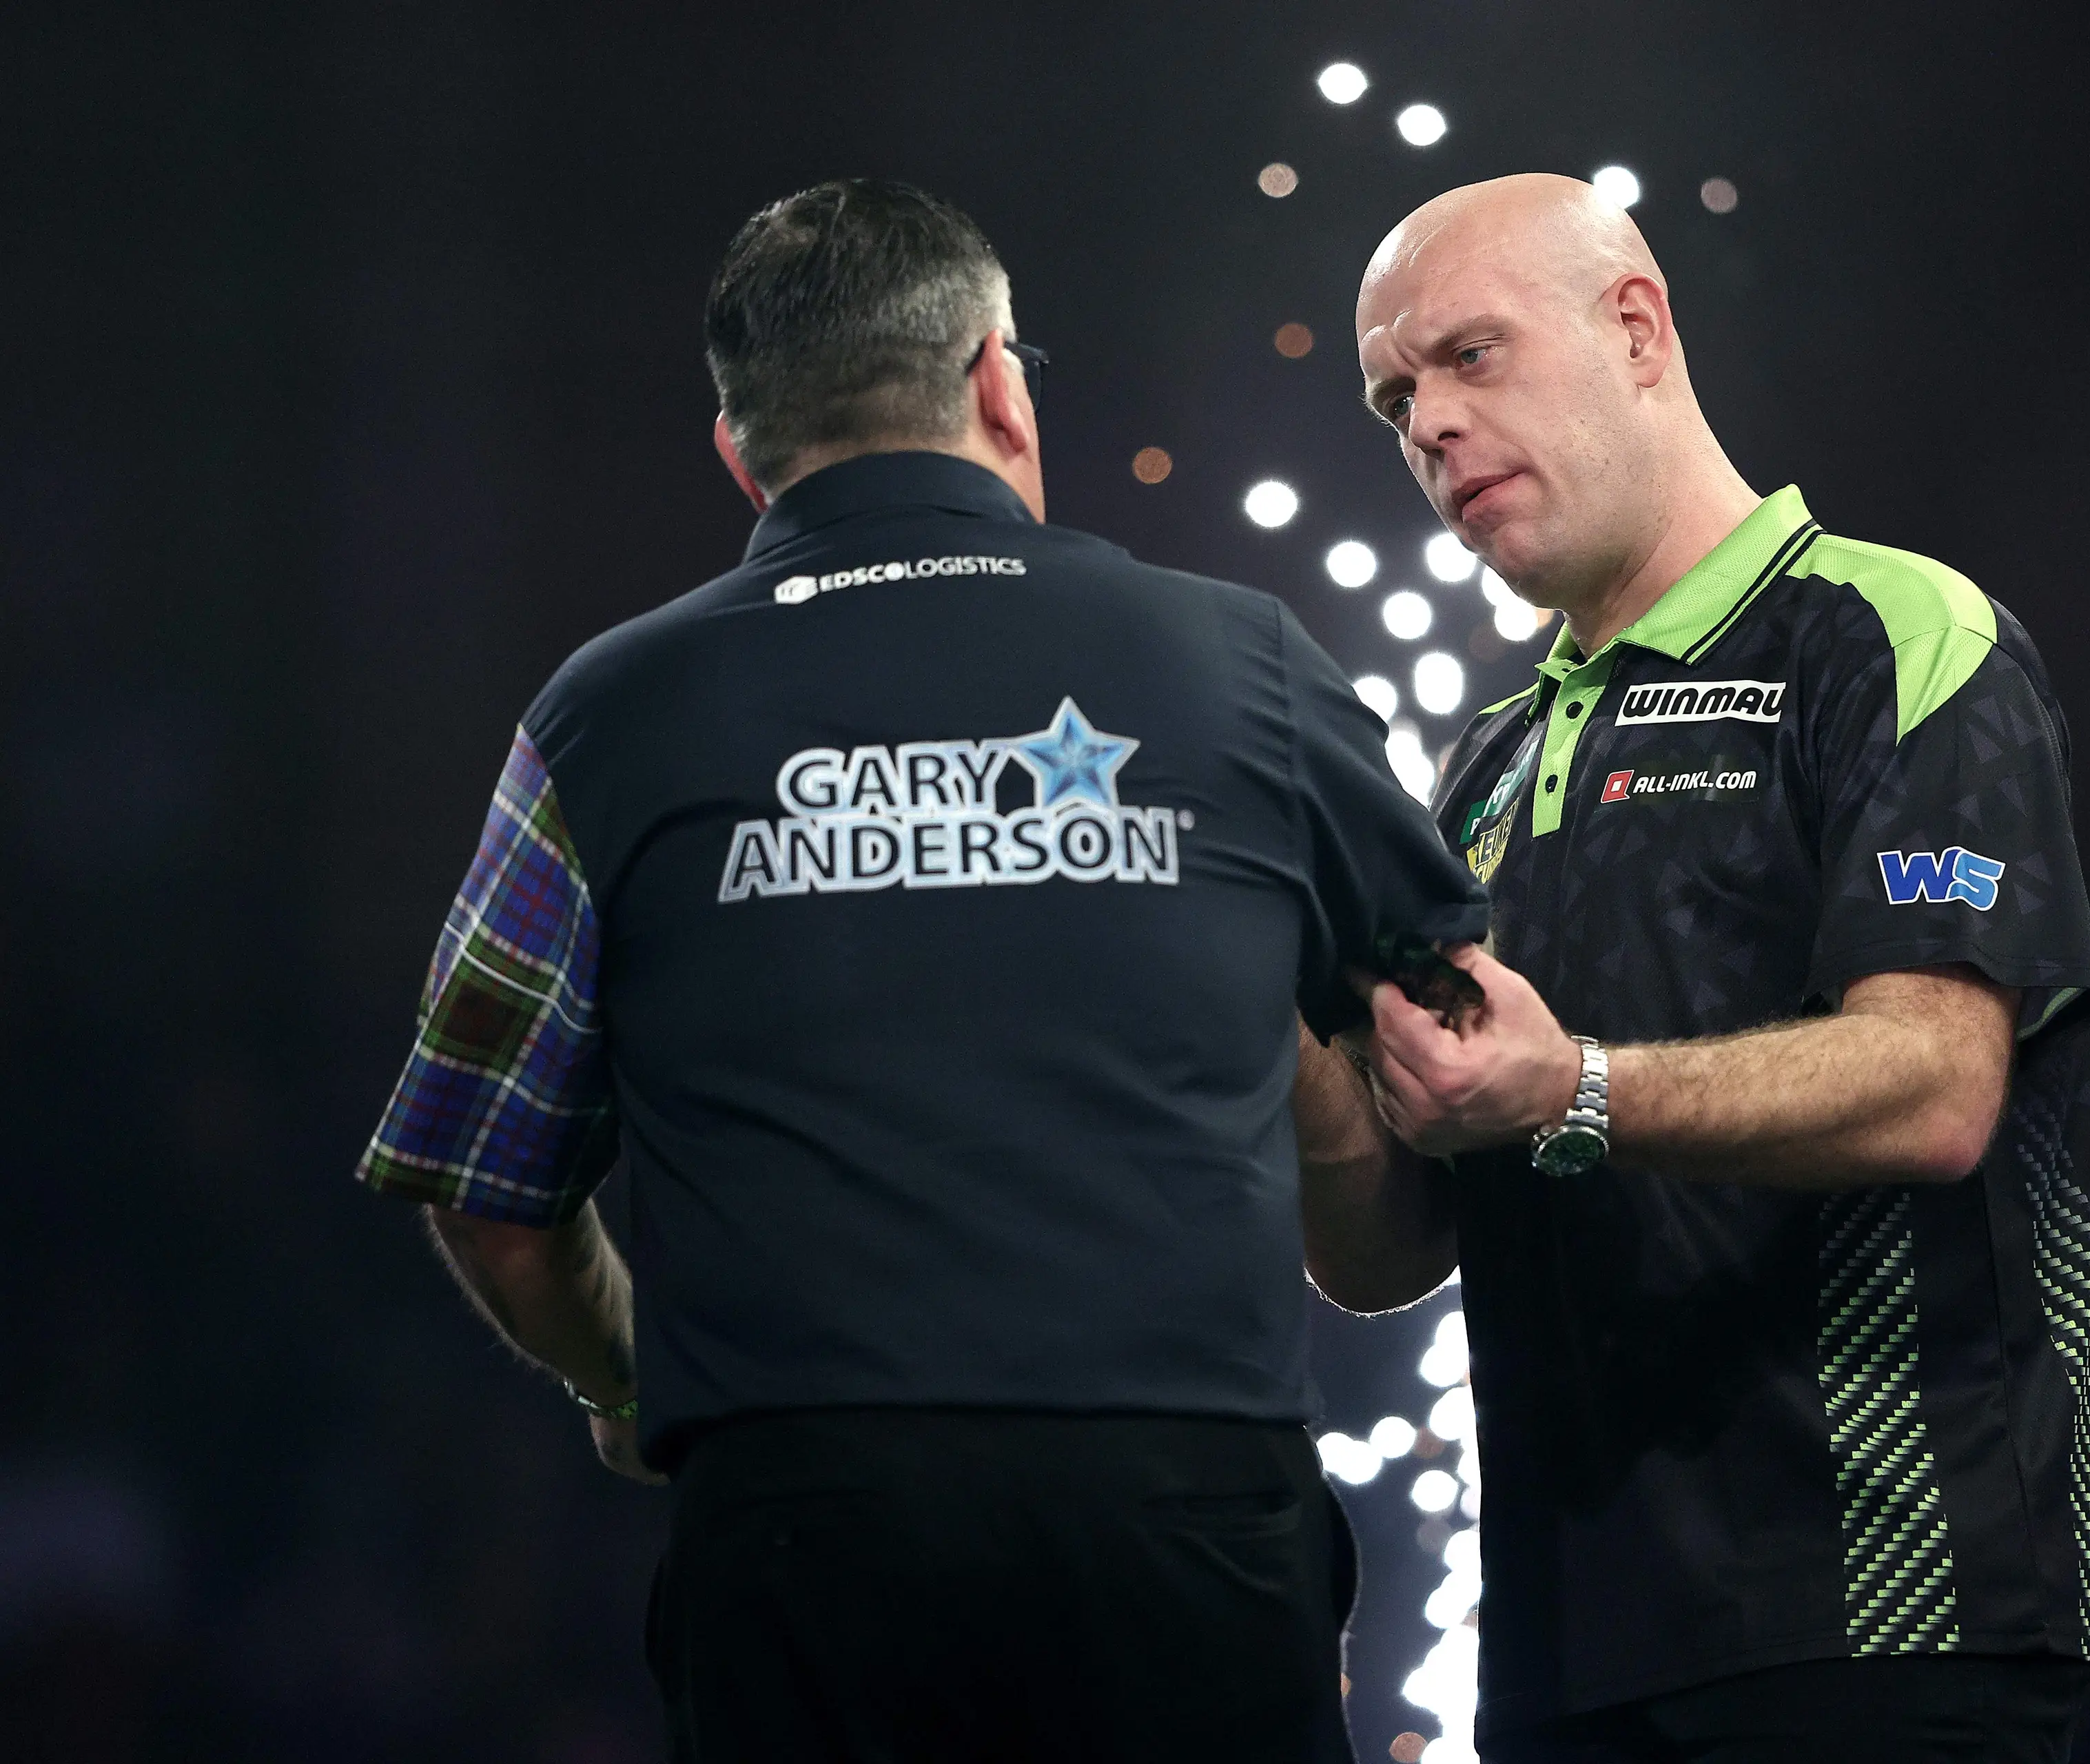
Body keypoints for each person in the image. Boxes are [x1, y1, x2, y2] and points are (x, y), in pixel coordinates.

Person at [354, 178, 1486, 1762]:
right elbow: (1461, 1037)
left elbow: (485, 1179)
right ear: (999, 382)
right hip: (1186, 1518)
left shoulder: (604, 715)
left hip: (802, 1533)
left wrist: (630, 1374)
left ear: (742, 453)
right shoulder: (1246, 661)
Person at [1293, 174, 2090, 1762]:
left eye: (1469, 356)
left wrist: (1573, 1087)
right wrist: (1285, 1019)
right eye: (1393, 400)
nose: (1426, 425)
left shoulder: (1893, 630)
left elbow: (1939, 1079)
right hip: (1571, 1638)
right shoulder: (1481, 762)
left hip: (1898, 1611)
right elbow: (1385, 1250)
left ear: (1635, 327)